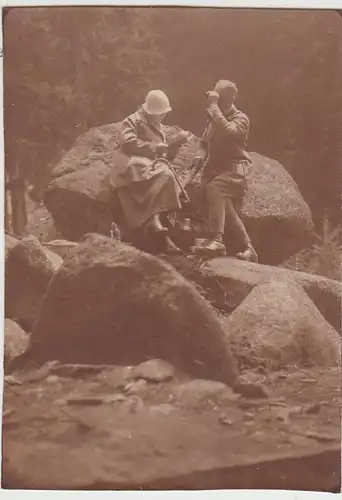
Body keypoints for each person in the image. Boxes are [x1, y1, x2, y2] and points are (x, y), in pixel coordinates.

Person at [110, 89, 190, 254]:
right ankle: (155, 223)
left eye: (163, 114)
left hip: (149, 162)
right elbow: (128, 143)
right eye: (160, 114)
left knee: (166, 175)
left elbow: (164, 153)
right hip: (130, 162)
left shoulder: (157, 125)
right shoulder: (133, 120)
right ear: (149, 111)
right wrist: (154, 147)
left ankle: (156, 222)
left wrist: (176, 144)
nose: (162, 117)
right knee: (162, 174)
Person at [193, 80, 258, 262]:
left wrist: (214, 107)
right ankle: (248, 247)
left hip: (237, 170)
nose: (213, 99)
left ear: (228, 100)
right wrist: (200, 155)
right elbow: (204, 142)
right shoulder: (214, 118)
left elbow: (230, 132)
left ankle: (217, 239)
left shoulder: (241, 118)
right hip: (218, 170)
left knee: (215, 189)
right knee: (222, 205)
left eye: (217, 97)